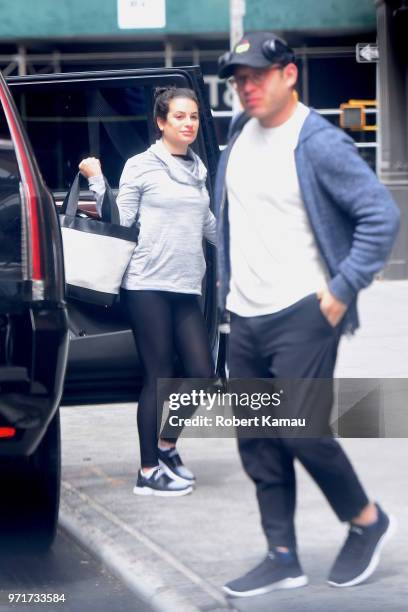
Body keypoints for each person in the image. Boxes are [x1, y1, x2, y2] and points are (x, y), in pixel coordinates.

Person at [215, 31, 400, 596]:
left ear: (289, 75)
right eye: (239, 79)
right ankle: (282, 555)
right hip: (244, 311)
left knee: (300, 431)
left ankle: (367, 521)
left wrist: (342, 289)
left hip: (304, 307)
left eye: (257, 76)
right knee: (258, 438)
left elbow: (380, 215)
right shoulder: (240, 131)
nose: (247, 87)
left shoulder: (317, 140)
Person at [79, 87, 216, 497]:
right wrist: (98, 181)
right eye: (179, 117)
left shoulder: (198, 169)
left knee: (203, 376)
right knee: (159, 377)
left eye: (192, 116)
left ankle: (166, 446)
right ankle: (146, 473)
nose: (188, 123)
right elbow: (122, 219)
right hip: (147, 285)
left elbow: (206, 220)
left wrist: (242, 242)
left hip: (185, 283)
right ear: (161, 122)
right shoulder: (140, 166)